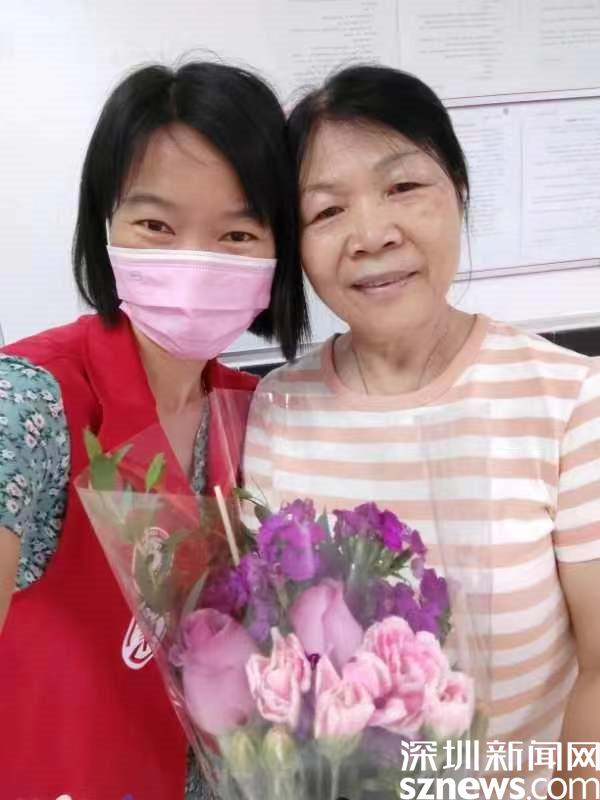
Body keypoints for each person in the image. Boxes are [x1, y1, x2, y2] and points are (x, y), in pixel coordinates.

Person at [243, 65, 600, 790]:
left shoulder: (569, 398)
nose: (371, 235)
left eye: (403, 186)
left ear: (458, 191)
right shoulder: (276, 410)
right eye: (326, 211)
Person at [0, 61, 307, 800]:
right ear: (104, 225)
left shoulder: (260, 417)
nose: (194, 264)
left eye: (237, 233)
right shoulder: (30, 402)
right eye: (156, 226)